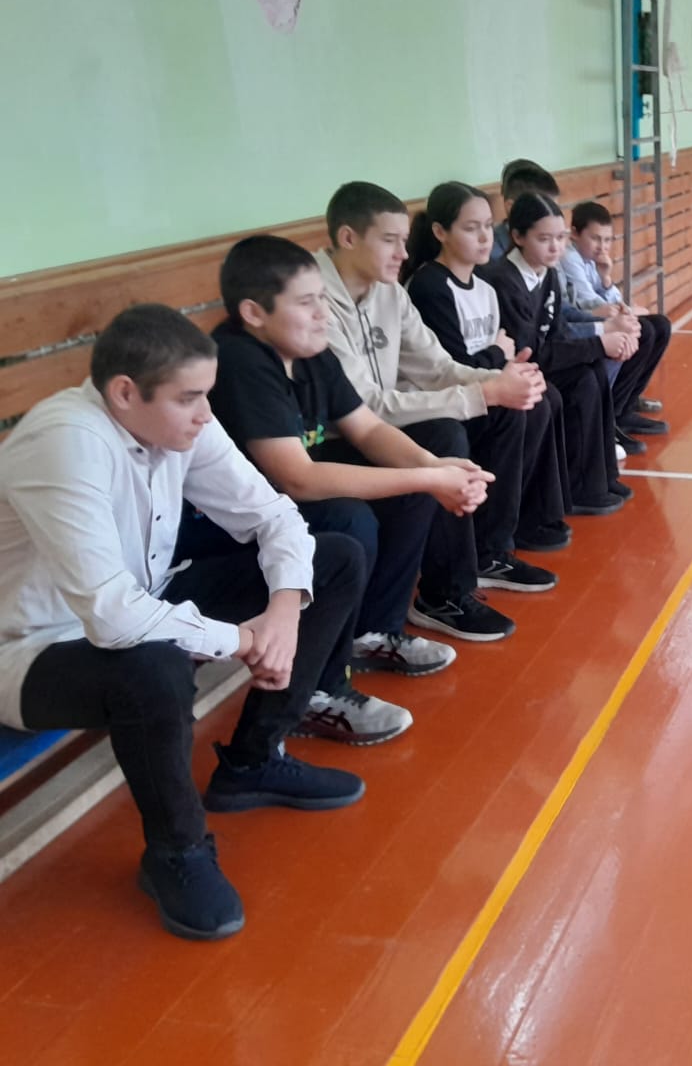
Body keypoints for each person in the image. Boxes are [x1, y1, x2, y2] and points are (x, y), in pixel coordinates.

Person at [0, 304, 365, 940]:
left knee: (334, 560)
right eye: (189, 398)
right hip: (33, 649)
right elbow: (112, 617)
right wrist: (241, 639)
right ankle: (177, 851)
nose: (205, 414)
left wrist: (283, 613)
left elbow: (275, 516)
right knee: (155, 665)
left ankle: (253, 762)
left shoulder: (175, 421)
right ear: (124, 392)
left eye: (206, 395)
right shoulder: (65, 443)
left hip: (141, 599)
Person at [200, 235, 498, 741]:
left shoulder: (309, 350)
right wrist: (429, 478)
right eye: (306, 302)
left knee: (416, 465)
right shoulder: (240, 360)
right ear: (253, 313)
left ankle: (372, 632)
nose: (322, 313)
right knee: (348, 516)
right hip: (227, 527)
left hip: (287, 497)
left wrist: (436, 469)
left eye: (322, 298)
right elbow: (295, 476)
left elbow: (367, 429)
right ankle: (317, 689)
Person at [314, 182, 542, 641]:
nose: (404, 253)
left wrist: (499, 381)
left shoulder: (390, 293)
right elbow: (363, 406)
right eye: (390, 240)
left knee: (507, 410)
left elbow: (437, 367)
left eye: (404, 240)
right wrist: (483, 394)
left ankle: (487, 555)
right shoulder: (313, 299)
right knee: (442, 435)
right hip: (329, 442)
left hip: (376, 429)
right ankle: (440, 597)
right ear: (348, 238)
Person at [402, 181, 574, 552]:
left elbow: (501, 355)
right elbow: (448, 368)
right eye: (471, 228)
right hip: (441, 402)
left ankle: (524, 519)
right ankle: (490, 544)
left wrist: (513, 367)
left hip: (480, 386)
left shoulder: (484, 288)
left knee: (541, 396)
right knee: (519, 411)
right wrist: (498, 355)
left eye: (487, 226)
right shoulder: (430, 287)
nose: (484, 237)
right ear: (440, 232)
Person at [483, 192, 631, 514]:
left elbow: (558, 331)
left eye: (561, 238)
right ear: (518, 237)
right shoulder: (504, 281)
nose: (556, 248)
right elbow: (530, 351)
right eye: (544, 239)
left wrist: (600, 344)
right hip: (515, 369)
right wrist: (599, 343)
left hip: (541, 359)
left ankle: (600, 476)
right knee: (581, 382)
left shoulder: (548, 273)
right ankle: (578, 487)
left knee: (594, 370)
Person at [562, 201, 671, 441]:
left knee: (660, 325)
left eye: (607, 240)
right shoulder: (569, 258)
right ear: (575, 234)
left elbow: (611, 300)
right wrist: (629, 312)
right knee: (644, 330)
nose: (602, 246)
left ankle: (627, 403)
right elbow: (590, 303)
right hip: (581, 324)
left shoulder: (591, 260)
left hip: (599, 316)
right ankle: (614, 412)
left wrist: (606, 278)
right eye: (595, 238)